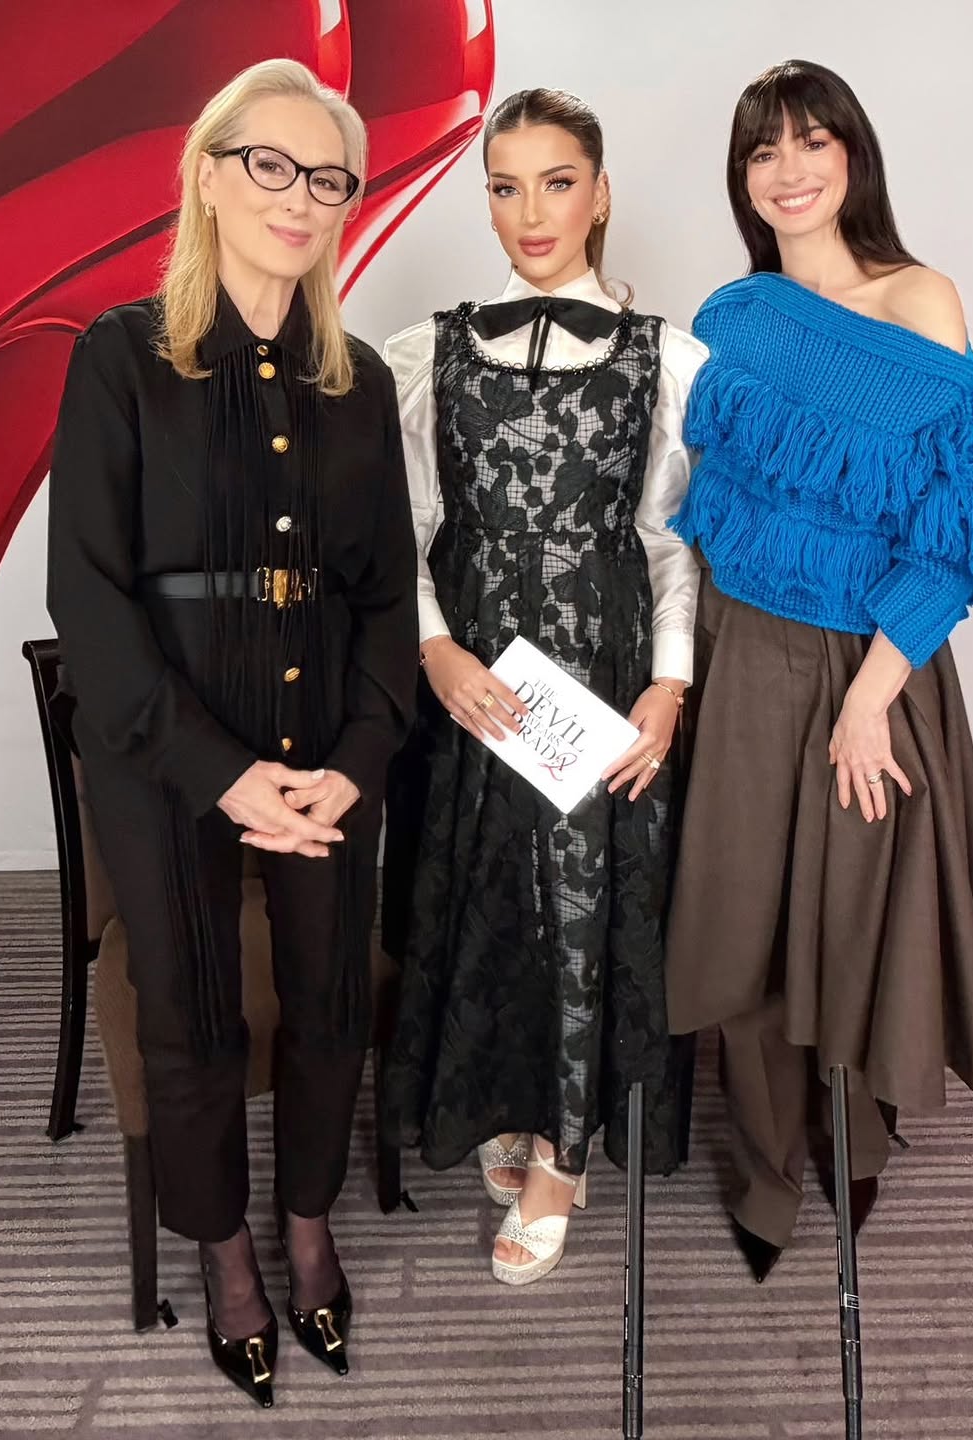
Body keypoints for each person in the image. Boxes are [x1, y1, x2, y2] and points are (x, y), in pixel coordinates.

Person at [47, 59, 416, 1402]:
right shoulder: (117, 356)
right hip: (162, 754)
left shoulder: (359, 381)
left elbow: (385, 598)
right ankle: (225, 1255)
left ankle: (309, 1223)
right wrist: (222, 775)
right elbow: (85, 597)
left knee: (326, 1006)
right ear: (208, 171)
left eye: (328, 178)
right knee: (192, 1018)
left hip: (325, 749)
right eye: (271, 164)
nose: (301, 198)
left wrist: (352, 768)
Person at [666, 59, 973, 1282]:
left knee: (851, 915)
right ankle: (766, 1167)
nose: (788, 171)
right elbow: (698, 510)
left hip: (872, 666)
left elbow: (968, 526)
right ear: (742, 179)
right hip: (740, 655)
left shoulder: (918, 300)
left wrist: (870, 700)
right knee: (740, 918)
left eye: (812, 142)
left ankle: (855, 1132)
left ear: (853, 157)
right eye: (762, 152)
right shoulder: (732, 318)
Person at [381, 88, 709, 1285]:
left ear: (601, 192)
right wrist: (435, 650)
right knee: (489, 896)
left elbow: (671, 542)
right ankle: (508, 1107)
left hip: (607, 675)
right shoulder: (428, 353)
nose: (530, 212)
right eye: (505, 185)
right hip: (476, 683)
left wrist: (669, 689)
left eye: (556, 181)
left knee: (580, 903)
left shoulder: (667, 358)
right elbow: (406, 535)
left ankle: (565, 1154)